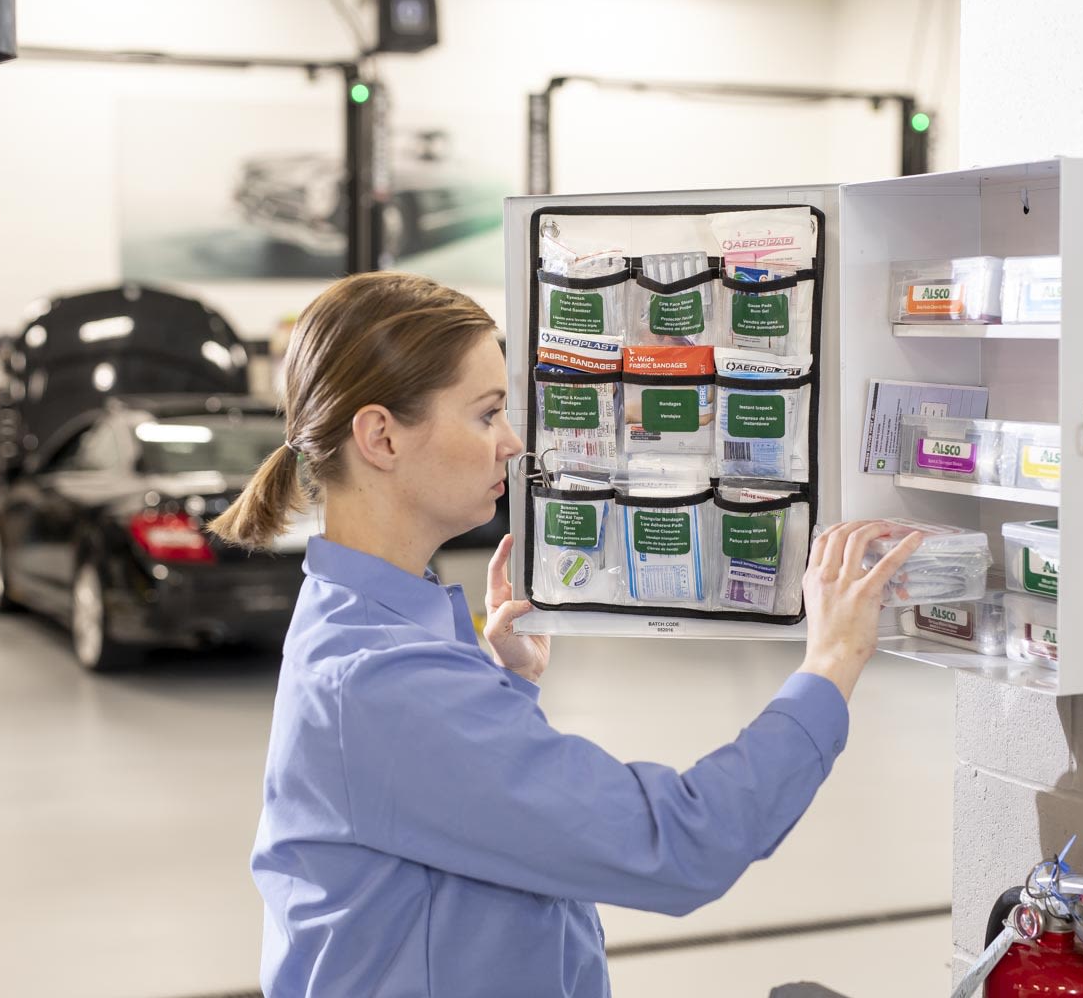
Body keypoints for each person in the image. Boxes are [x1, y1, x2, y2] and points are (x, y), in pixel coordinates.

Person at [208, 272, 922, 998]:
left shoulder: (366, 618)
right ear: (381, 436)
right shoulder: (384, 681)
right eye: (486, 415)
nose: (513, 443)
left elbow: (457, 830)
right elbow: (677, 844)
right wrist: (831, 663)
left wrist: (504, 692)